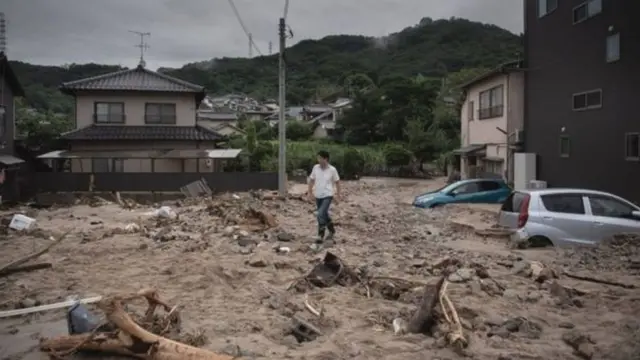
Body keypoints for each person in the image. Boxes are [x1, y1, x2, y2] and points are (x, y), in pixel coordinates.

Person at [307, 150, 341, 243]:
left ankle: (320, 235)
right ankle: (332, 230)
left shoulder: (332, 169)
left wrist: (338, 195)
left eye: (320, 158)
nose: (318, 160)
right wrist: (309, 192)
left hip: (328, 195)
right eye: (318, 158)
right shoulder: (315, 168)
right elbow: (311, 180)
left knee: (320, 213)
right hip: (318, 195)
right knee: (324, 214)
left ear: (326, 159)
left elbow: (337, 182)